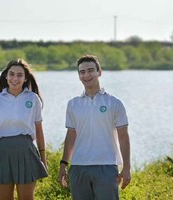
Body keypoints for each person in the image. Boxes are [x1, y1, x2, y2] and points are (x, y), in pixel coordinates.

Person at [58, 55, 131, 200]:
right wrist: (63, 164)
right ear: (79, 76)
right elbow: (71, 136)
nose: (86, 75)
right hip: (79, 167)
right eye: (82, 72)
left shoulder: (114, 103)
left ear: (99, 72)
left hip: (106, 166)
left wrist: (127, 167)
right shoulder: (73, 104)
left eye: (90, 70)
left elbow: (123, 137)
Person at [0, 59, 48, 200]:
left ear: (25, 78)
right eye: (12, 74)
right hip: (2, 153)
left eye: (19, 75)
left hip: (26, 151)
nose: (15, 78)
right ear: (6, 76)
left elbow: (39, 130)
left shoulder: (33, 99)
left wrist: (43, 159)